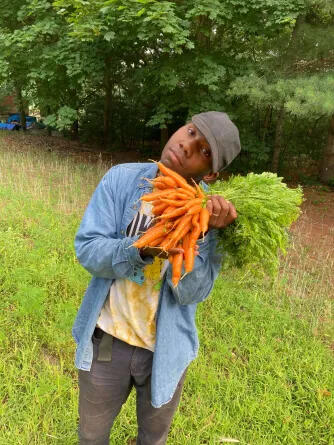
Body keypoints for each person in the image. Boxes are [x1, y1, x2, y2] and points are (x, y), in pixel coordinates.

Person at [73, 111, 241, 445]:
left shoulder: (214, 215)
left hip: (164, 351)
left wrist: (198, 234)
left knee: (152, 439)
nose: (187, 145)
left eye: (204, 151)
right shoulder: (121, 180)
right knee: (91, 435)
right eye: (191, 131)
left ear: (212, 173)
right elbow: (88, 250)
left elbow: (193, 293)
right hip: (107, 338)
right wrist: (142, 248)